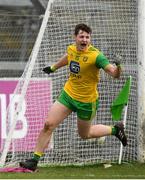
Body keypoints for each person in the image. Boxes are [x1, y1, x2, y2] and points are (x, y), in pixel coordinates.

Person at [20, 23, 127, 171]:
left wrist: (119, 67)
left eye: (87, 37)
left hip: (86, 102)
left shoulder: (96, 56)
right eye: (81, 36)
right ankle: (34, 160)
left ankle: (116, 130)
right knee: (48, 124)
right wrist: (53, 67)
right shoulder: (71, 49)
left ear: (90, 39)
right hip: (68, 95)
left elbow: (114, 74)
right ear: (75, 37)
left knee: (85, 134)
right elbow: (68, 57)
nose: (84, 39)